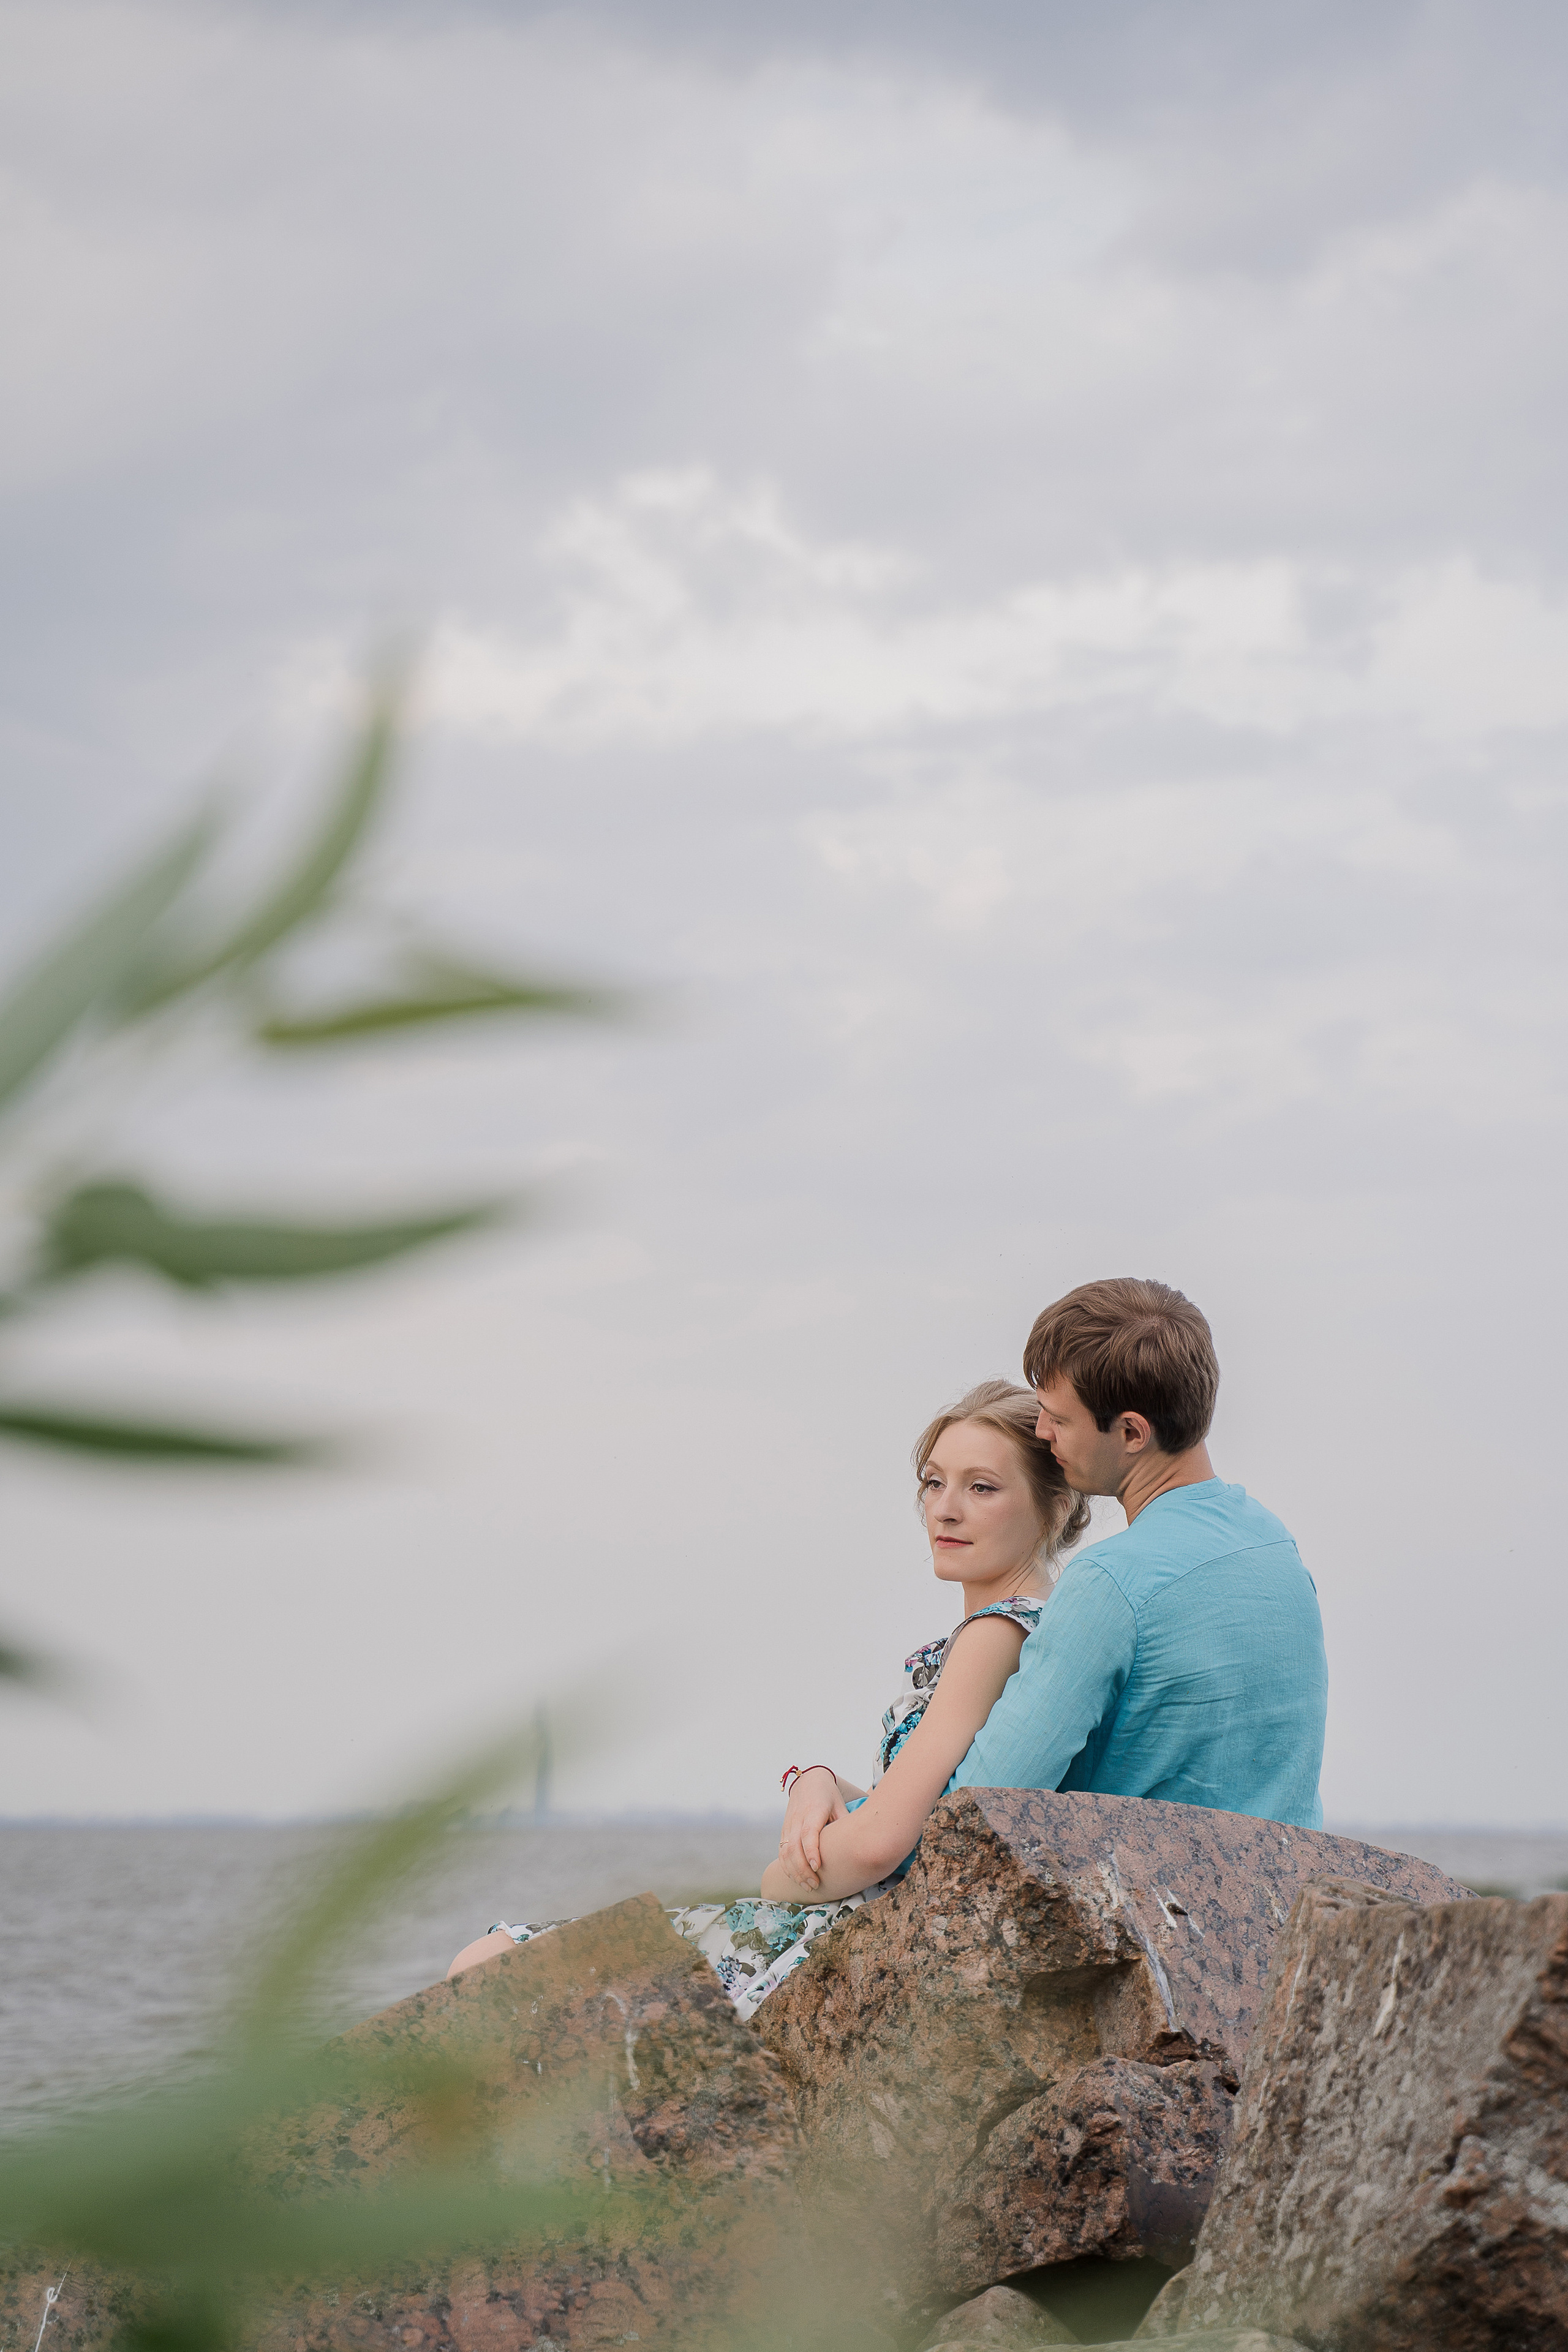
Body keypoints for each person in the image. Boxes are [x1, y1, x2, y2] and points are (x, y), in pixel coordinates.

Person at [447, 1379, 1088, 2015]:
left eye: (981, 1486)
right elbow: (939, 1806)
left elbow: (876, 1846)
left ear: (1055, 1506)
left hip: (835, 1938)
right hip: (861, 1928)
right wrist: (822, 1781)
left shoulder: (995, 1632)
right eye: (932, 1481)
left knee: (490, 1960)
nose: (945, 1508)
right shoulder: (1028, 1629)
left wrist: (780, 1876)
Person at [783, 1278, 1327, 1878]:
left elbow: (973, 1826)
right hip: (1278, 1906)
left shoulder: (1110, 1582)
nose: (1042, 1433)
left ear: (1130, 1433)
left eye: (1058, 1419)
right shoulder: (1273, 1542)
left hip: (1150, 1921)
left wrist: (795, 1859)